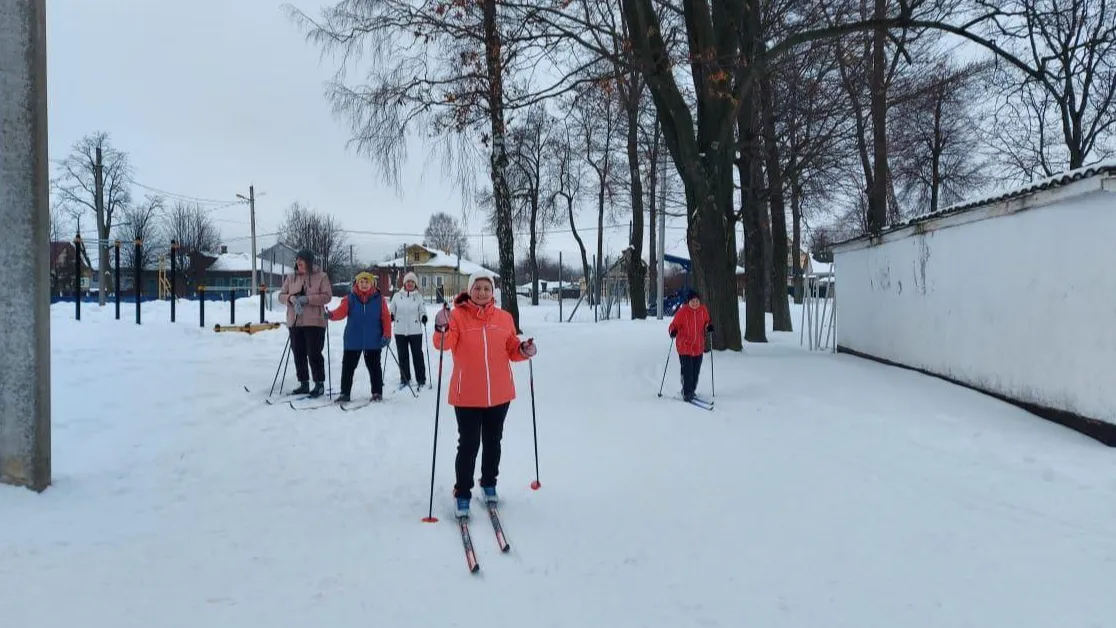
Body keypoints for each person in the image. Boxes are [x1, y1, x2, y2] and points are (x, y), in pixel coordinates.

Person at [432, 270, 537, 519]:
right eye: (477, 288)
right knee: (468, 445)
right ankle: (463, 493)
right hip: (467, 393)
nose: (481, 293)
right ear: (470, 290)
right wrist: (441, 327)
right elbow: (443, 344)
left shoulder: (504, 318)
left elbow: (511, 348)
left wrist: (524, 349)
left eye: (486, 288)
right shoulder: (456, 316)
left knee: (493, 442)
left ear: (493, 292)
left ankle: (489, 483)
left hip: (499, 394)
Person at [326, 271, 392, 402]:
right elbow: (341, 312)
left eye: (367, 282)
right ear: (357, 284)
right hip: (353, 340)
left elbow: (386, 318)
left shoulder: (379, 299)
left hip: (373, 340)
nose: (364, 284)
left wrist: (387, 335)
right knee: (348, 368)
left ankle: (377, 392)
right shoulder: (350, 298)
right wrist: (331, 315)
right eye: (361, 282)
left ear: (372, 283)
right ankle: (345, 393)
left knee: (374, 368)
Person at [278, 249, 332, 397]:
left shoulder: (321, 276)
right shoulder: (291, 277)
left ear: (309, 261)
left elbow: (327, 297)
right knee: (298, 353)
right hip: (295, 322)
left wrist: (308, 299)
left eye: (302, 261)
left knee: (313, 353)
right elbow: (281, 295)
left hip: (315, 321)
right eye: (297, 261)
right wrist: (290, 298)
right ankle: (304, 383)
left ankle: (319, 383)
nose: (299, 263)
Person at [668, 289, 712, 402]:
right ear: (688, 302)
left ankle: (691, 390)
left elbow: (707, 321)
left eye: (697, 301)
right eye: (692, 301)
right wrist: (673, 331)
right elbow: (673, 325)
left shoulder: (703, 310)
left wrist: (709, 326)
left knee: (695, 372)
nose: (695, 303)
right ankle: (687, 392)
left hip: (698, 346)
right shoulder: (682, 312)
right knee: (687, 371)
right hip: (684, 346)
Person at [388, 271, 428, 388]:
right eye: (408, 282)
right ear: (404, 283)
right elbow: (392, 309)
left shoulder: (419, 297)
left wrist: (423, 317)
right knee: (403, 356)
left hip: (415, 331)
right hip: (400, 331)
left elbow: (422, 310)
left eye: (412, 282)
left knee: (417, 355)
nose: (410, 284)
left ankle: (421, 379)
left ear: (415, 284)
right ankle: (405, 379)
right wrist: (391, 315)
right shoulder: (396, 296)